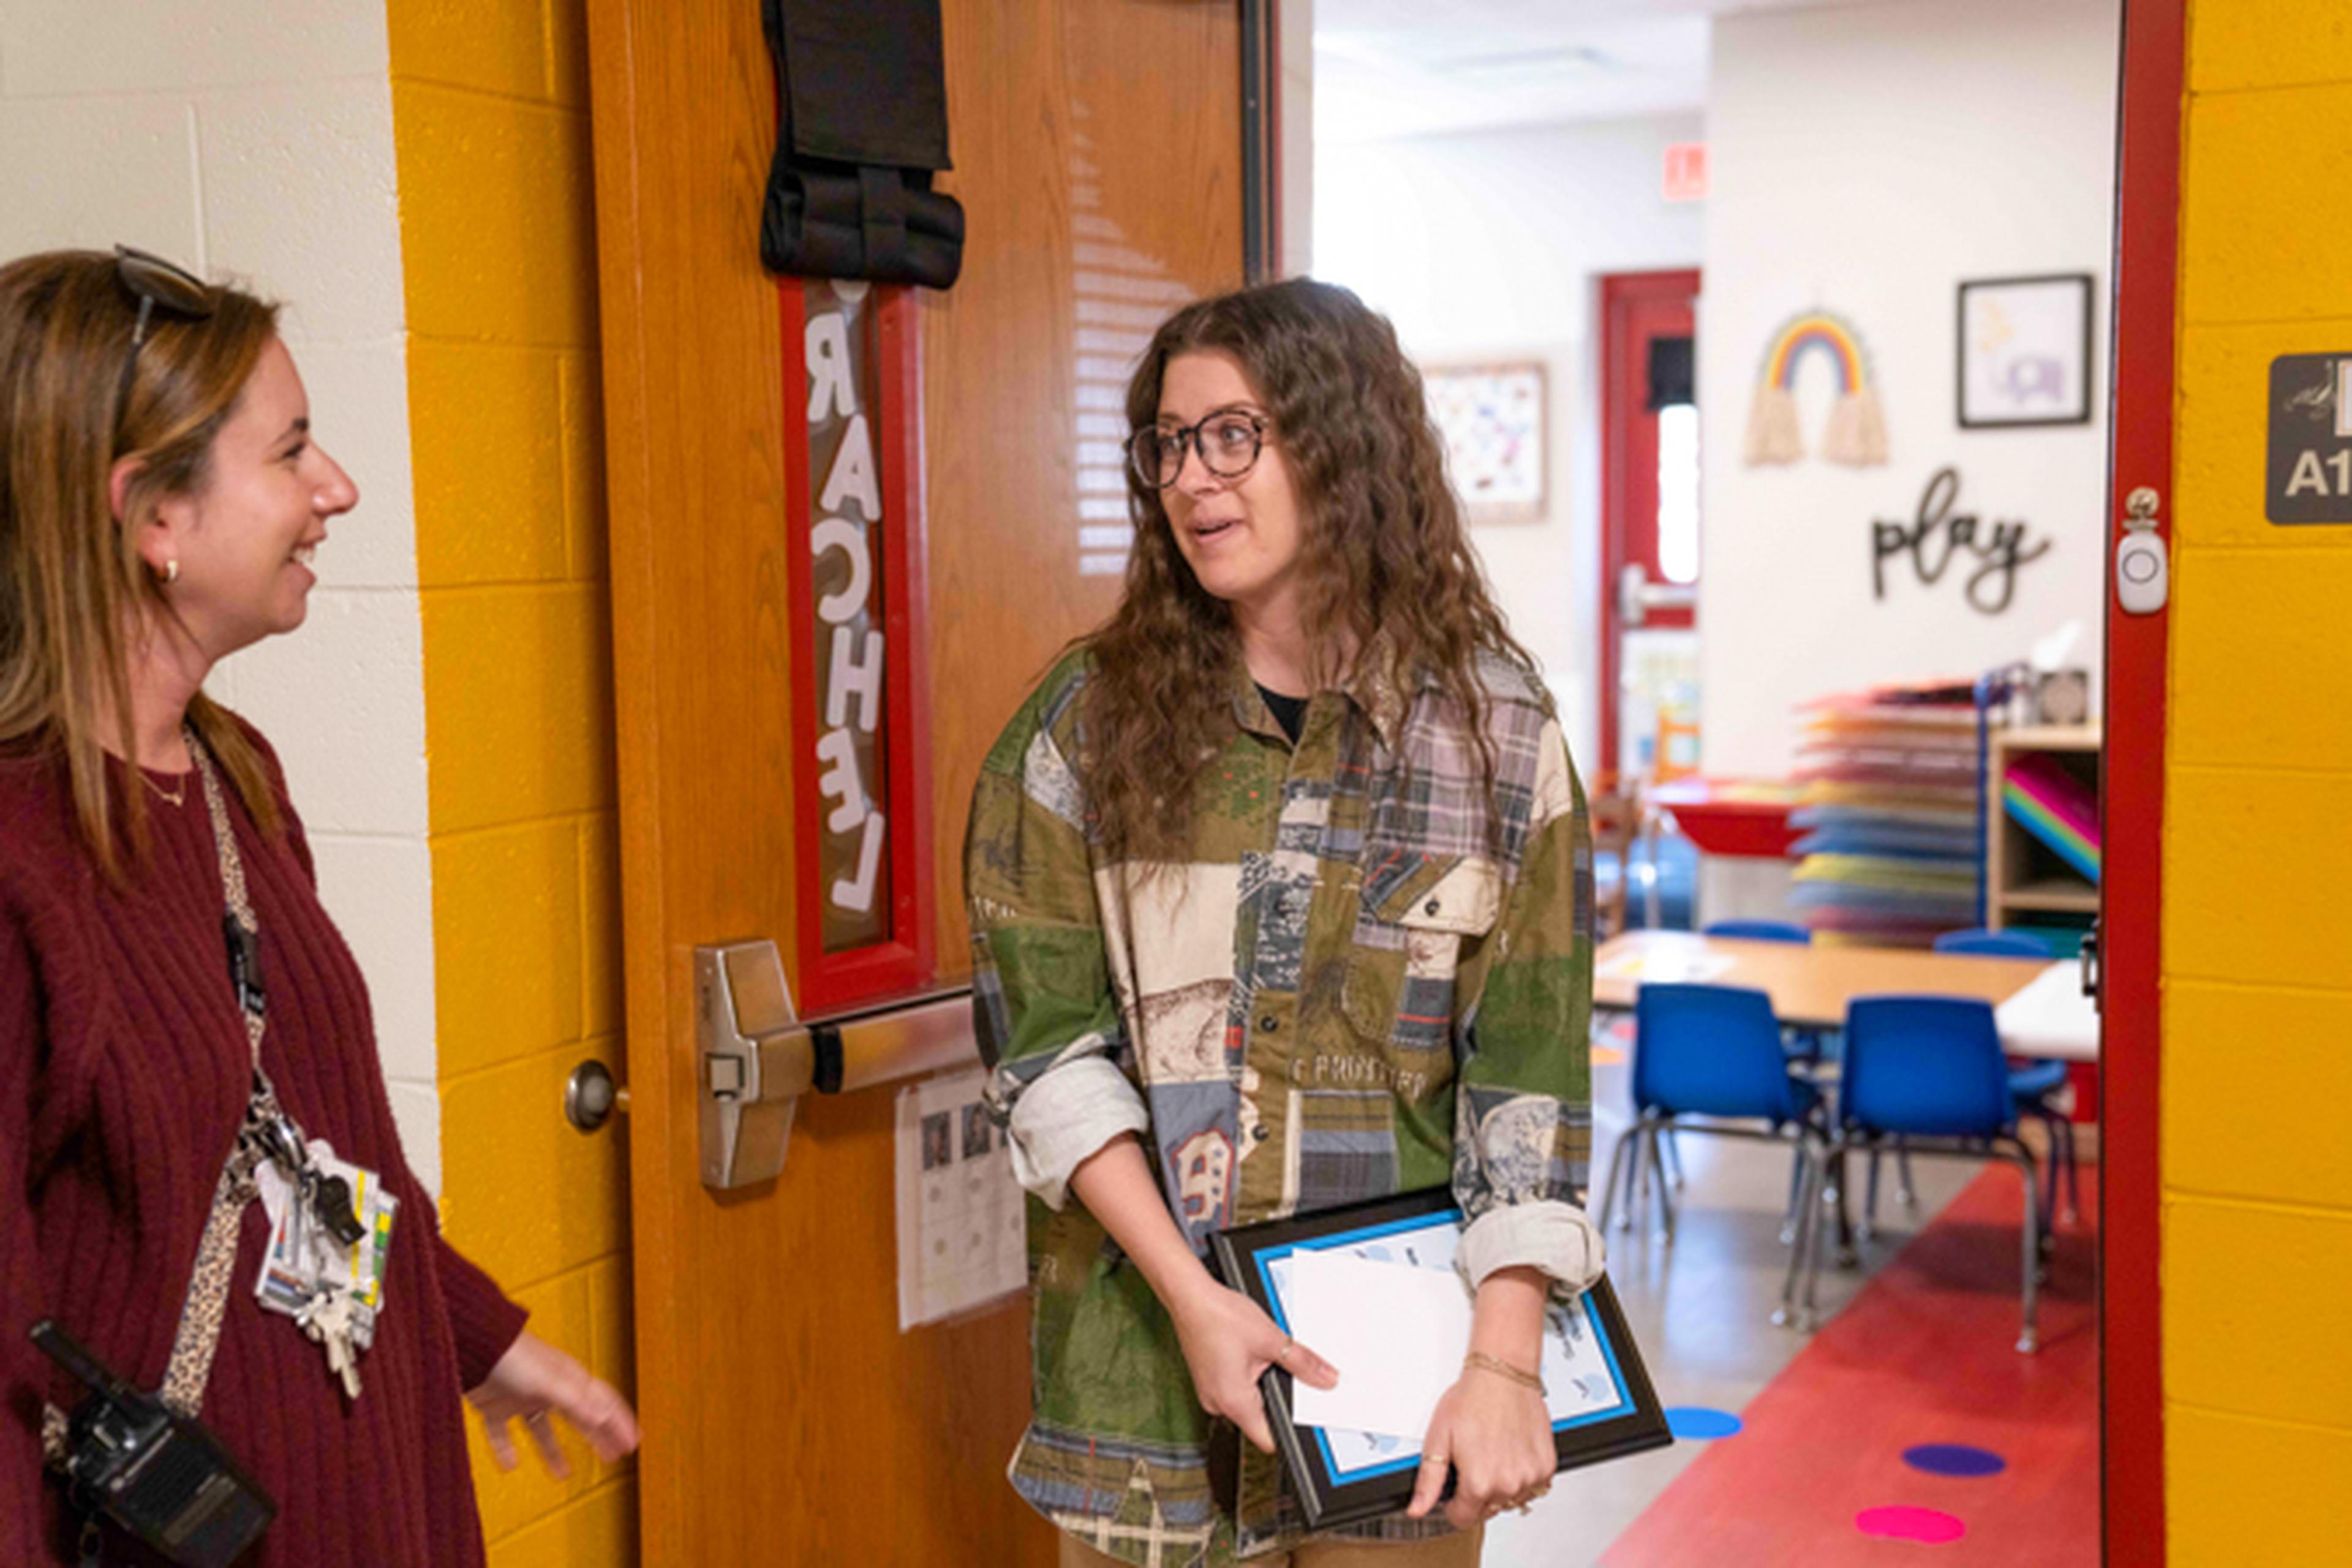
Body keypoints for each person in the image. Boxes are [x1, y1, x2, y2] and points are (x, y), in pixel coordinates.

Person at [0, 247, 638, 1565]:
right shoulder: (20, 862)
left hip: (374, 1502)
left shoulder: (230, 772)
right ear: (151, 517)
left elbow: (311, 1131)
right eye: (290, 451)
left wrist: (473, 1336)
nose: (334, 486)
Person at [967, 279, 1601, 1568]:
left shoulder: (1498, 741)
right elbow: (1044, 1058)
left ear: (1342, 443)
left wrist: (1504, 1360)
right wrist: (1198, 1300)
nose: (1192, 476)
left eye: (1232, 434)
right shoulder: (1077, 732)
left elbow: (1527, 1089)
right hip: (1143, 1394)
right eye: (1168, 441)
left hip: (1398, 1411)